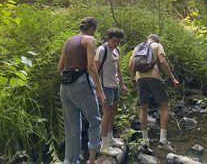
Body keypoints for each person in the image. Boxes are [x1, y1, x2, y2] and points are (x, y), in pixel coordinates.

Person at [58, 17, 106, 164]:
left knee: (72, 128)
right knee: (95, 121)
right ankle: (91, 161)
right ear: (92, 28)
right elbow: (91, 67)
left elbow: (59, 68)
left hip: (65, 87)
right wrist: (100, 91)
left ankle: (69, 161)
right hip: (82, 83)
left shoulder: (69, 41)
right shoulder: (89, 40)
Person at [128, 34, 179, 152]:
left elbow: (131, 65)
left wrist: (133, 80)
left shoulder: (137, 47)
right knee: (164, 106)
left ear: (147, 39)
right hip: (154, 76)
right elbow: (162, 61)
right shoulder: (157, 45)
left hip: (139, 78)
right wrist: (172, 78)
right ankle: (162, 141)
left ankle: (145, 142)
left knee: (143, 108)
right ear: (156, 39)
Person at [95, 28, 128, 156]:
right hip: (105, 86)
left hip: (115, 85)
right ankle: (104, 145)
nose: (116, 44)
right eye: (114, 41)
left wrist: (123, 84)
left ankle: (110, 138)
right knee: (107, 113)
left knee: (113, 112)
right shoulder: (102, 50)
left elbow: (117, 69)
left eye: (118, 42)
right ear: (108, 38)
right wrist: (98, 90)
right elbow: (94, 70)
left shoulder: (117, 50)